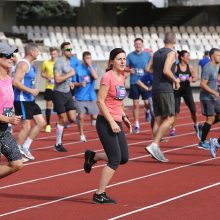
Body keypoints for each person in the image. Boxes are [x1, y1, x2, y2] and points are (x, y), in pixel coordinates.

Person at [83, 48, 132, 204]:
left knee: (124, 158)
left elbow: (118, 102)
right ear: (111, 61)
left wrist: (124, 117)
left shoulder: (122, 77)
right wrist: (111, 121)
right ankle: (99, 194)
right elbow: (100, 101)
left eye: (124, 58)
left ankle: (93, 156)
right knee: (115, 160)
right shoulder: (107, 77)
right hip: (105, 122)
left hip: (116, 121)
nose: (123, 61)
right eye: (119, 59)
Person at [145, 32, 180, 162]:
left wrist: (157, 72)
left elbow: (148, 69)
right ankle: (154, 145)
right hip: (165, 89)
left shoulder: (156, 53)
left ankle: (156, 148)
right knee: (170, 119)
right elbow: (166, 70)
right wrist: (175, 80)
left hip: (155, 88)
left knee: (158, 119)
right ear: (174, 40)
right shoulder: (172, 53)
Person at [13, 44, 46, 161]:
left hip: (30, 99)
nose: (39, 53)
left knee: (41, 122)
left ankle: (25, 147)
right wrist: (30, 90)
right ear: (31, 52)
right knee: (26, 126)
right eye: (37, 51)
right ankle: (16, 153)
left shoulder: (31, 64)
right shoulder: (23, 64)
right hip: (22, 99)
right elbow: (15, 82)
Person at [0, 42, 23, 178]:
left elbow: (9, 102)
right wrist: (8, 119)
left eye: (12, 55)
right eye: (8, 55)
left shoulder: (8, 79)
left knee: (17, 163)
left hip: (4, 129)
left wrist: (11, 114)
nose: (12, 58)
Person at [170, 50, 201, 137]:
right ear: (182, 57)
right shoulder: (176, 67)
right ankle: (173, 128)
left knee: (193, 110)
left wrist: (192, 79)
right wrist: (176, 79)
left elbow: (195, 77)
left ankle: (195, 124)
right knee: (176, 111)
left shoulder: (190, 67)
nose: (188, 58)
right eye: (187, 56)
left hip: (187, 90)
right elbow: (170, 76)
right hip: (177, 90)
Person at [52, 42, 76, 152]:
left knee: (72, 118)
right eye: (67, 49)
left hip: (68, 93)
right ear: (62, 50)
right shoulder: (59, 63)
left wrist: (70, 82)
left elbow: (65, 77)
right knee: (63, 118)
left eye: (71, 49)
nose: (70, 51)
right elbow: (57, 79)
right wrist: (70, 75)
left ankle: (59, 125)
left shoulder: (68, 61)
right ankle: (58, 144)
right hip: (59, 94)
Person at [126, 38, 151, 133]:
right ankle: (136, 124)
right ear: (134, 45)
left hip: (145, 82)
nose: (138, 45)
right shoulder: (130, 56)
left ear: (142, 45)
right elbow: (124, 66)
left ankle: (147, 111)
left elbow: (151, 67)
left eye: (139, 44)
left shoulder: (147, 55)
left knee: (147, 103)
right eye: (136, 44)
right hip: (134, 82)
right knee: (135, 104)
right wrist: (129, 70)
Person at [74, 51, 99, 142]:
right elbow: (72, 83)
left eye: (90, 58)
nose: (88, 60)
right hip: (80, 97)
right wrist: (80, 83)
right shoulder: (77, 69)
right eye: (87, 58)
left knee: (95, 117)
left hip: (91, 96)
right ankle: (81, 134)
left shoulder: (93, 67)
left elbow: (96, 77)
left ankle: (92, 119)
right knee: (81, 116)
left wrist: (90, 66)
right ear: (83, 59)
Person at [198, 48, 220, 149]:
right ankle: (202, 142)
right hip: (207, 97)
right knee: (210, 119)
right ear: (212, 56)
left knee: (218, 116)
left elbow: (215, 79)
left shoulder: (216, 66)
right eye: (218, 55)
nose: (219, 57)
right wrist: (214, 92)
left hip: (214, 97)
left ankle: (202, 127)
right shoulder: (208, 68)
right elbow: (202, 84)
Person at [41, 47, 59, 133]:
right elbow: (42, 73)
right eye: (52, 54)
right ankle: (48, 124)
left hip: (59, 87)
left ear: (57, 54)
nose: (53, 55)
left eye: (54, 54)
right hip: (49, 87)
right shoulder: (46, 62)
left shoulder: (60, 63)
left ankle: (59, 123)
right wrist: (47, 77)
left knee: (59, 106)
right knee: (48, 105)